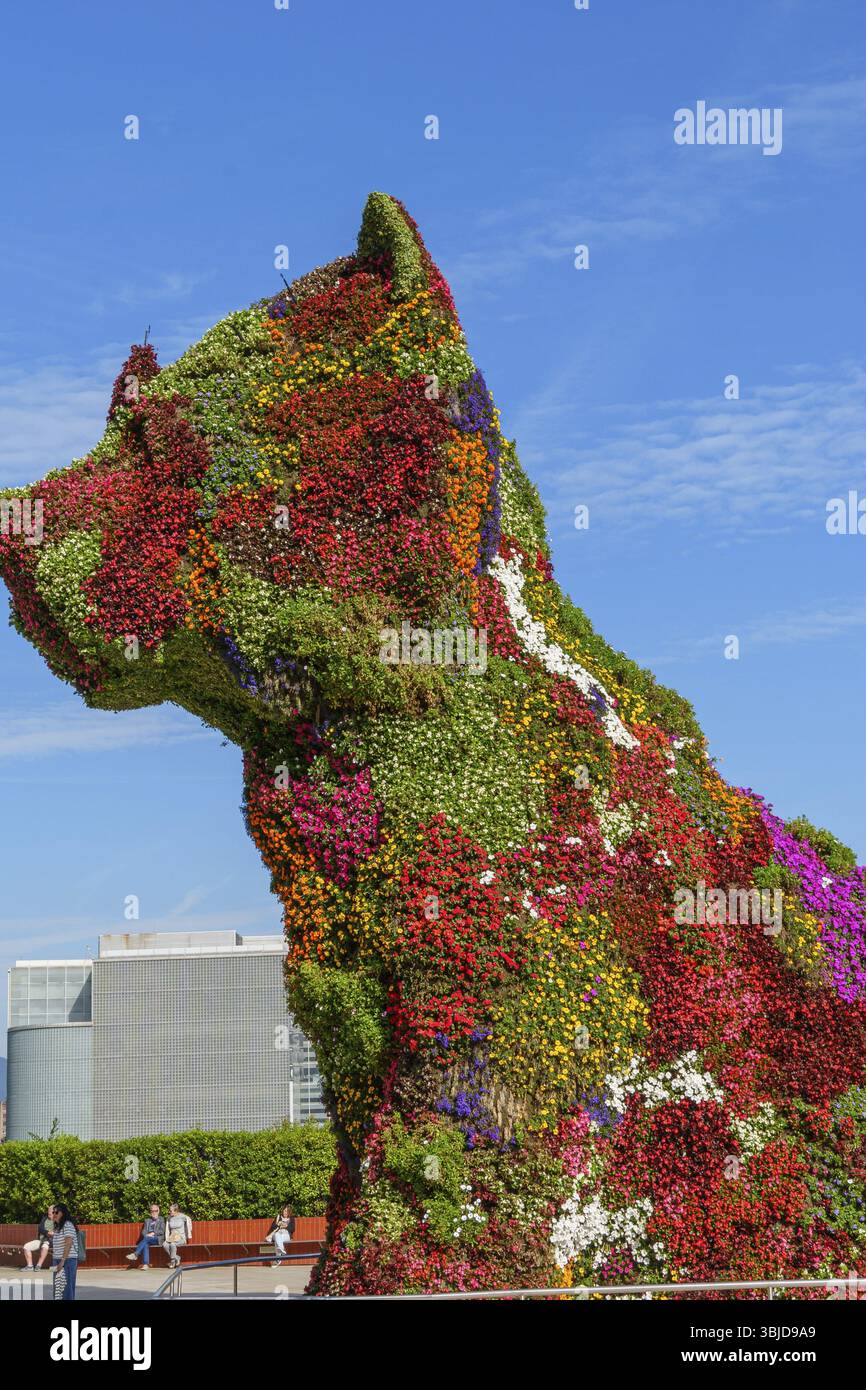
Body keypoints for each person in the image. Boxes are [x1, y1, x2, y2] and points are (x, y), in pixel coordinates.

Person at [50, 1204, 79, 1301]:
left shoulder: (67, 1224)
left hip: (67, 1260)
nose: (54, 1214)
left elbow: (68, 1243)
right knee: (58, 1288)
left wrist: (62, 1261)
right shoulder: (58, 1227)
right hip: (58, 1260)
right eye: (53, 1212)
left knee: (66, 1289)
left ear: (63, 1213)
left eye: (56, 1212)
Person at [125, 1204, 165, 1268]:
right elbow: (143, 1231)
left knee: (146, 1239)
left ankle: (135, 1254)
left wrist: (153, 1233)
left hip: (157, 1238)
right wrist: (146, 1234)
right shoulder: (147, 1220)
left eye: (156, 1211)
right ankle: (146, 1264)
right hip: (148, 1238)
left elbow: (162, 1231)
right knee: (146, 1243)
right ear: (150, 1212)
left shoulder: (161, 1219)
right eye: (152, 1211)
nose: (154, 1212)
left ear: (158, 1211)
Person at [162, 1203, 192, 1268]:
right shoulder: (169, 1218)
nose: (169, 1212)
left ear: (176, 1211)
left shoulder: (182, 1217)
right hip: (172, 1237)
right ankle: (177, 1257)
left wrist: (188, 1233)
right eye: (169, 1210)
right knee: (165, 1244)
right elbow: (167, 1228)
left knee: (173, 1244)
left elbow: (189, 1221)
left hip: (181, 1237)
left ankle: (172, 1261)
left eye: (170, 1211)